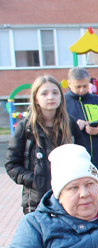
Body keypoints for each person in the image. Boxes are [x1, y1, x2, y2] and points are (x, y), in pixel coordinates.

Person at [6, 75, 86, 214]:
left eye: (55, 93)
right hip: (37, 201)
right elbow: (12, 164)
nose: (51, 97)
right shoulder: (25, 128)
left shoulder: (70, 124)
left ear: (61, 96)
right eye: (44, 93)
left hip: (68, 199)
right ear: (36, 98)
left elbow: (84, 156)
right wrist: (34, 180)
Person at [65, 67, 98, 193]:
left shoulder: (97, 100)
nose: (82, 90)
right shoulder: (62, 102)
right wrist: (73, 127)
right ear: (69, 83)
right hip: (74, 165)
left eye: (85, 86)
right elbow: (56, 132)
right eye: (78, 86)